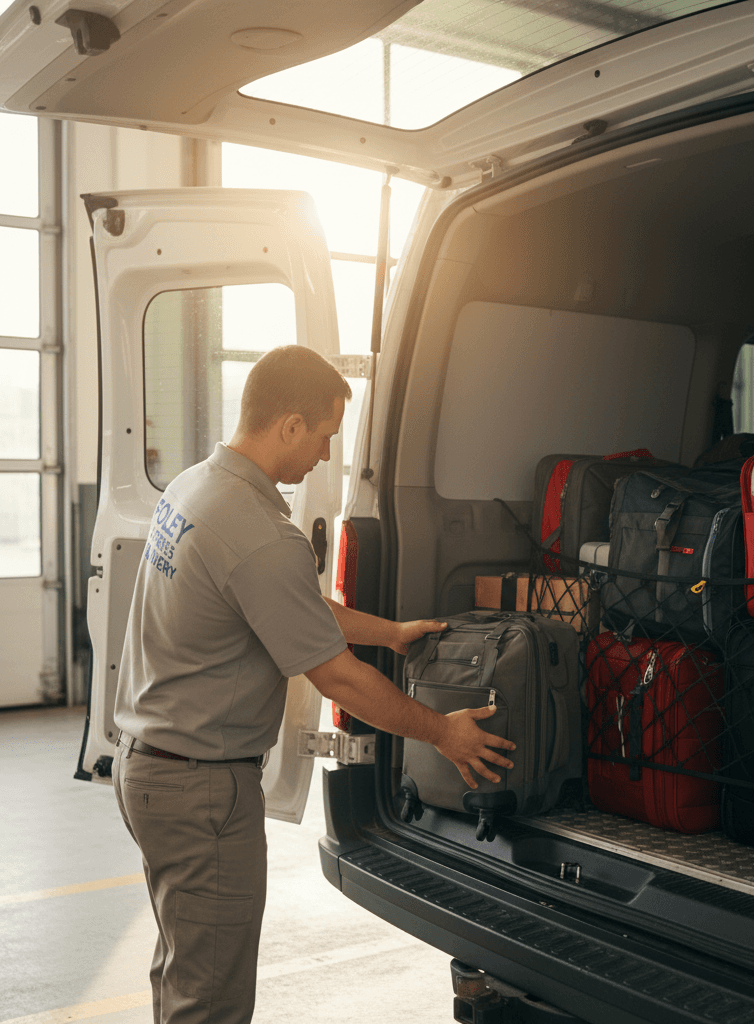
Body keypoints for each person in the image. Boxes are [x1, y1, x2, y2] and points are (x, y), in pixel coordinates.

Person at [111, 345, 514, 1024]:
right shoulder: (258, 531)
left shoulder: (196, 488)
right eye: (326, 434)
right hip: (202, 793)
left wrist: (389, 633)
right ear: (290, 425)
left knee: (184, 974)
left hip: (154, 774)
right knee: (210, 1001)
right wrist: (444, 731)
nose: (327, 454)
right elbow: (338, 680)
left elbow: (281, 603)